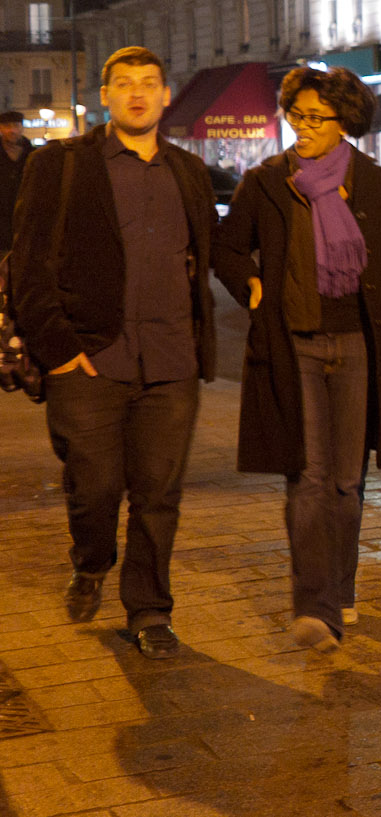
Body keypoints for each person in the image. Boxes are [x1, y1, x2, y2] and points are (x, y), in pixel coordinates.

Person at [7, 46, 217, 659]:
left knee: (158, 494)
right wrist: (64, 354)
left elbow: (207, 253)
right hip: (90, 360)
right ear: (105, 95)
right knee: (94, 487)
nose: (136, 93)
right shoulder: (62, 165)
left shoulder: (188, 171)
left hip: (172, 361)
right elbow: (28, 265)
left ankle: (150, 609)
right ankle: (92, 559)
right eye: (123, 83)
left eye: (148, 83)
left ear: (164, 95)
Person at [212, 66, 381, 653]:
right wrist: (251, 286)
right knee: (309, 478)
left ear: (344, 121)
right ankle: (314, 607)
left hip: (357, 346)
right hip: (292, 344)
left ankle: (340, 589)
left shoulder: (376, 183)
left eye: (315, 118)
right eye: (295, 116)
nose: (302, 127)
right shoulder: (268, 181)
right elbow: (228, 248)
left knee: (348, 482)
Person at [0, 110, 34, 252]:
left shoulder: (33, 155)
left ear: (22, 127)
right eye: (7, 126)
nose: (12, 130)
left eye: (16, 125)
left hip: (27, 218)